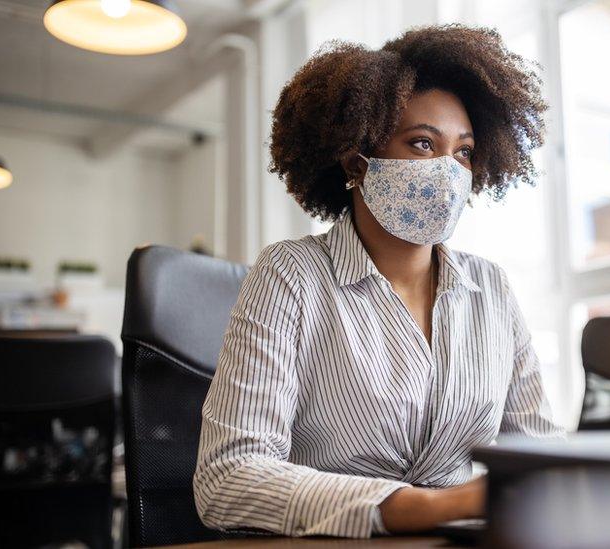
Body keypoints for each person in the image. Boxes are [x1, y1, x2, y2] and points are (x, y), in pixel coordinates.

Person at [193, 24, 563, 539]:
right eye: (421, 144)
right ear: (355, 162)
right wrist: (429, 507)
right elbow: (227, 479)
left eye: (462, 153)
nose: (448, 172)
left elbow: (541, 455)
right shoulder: (291, 275)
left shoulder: (491, 288)